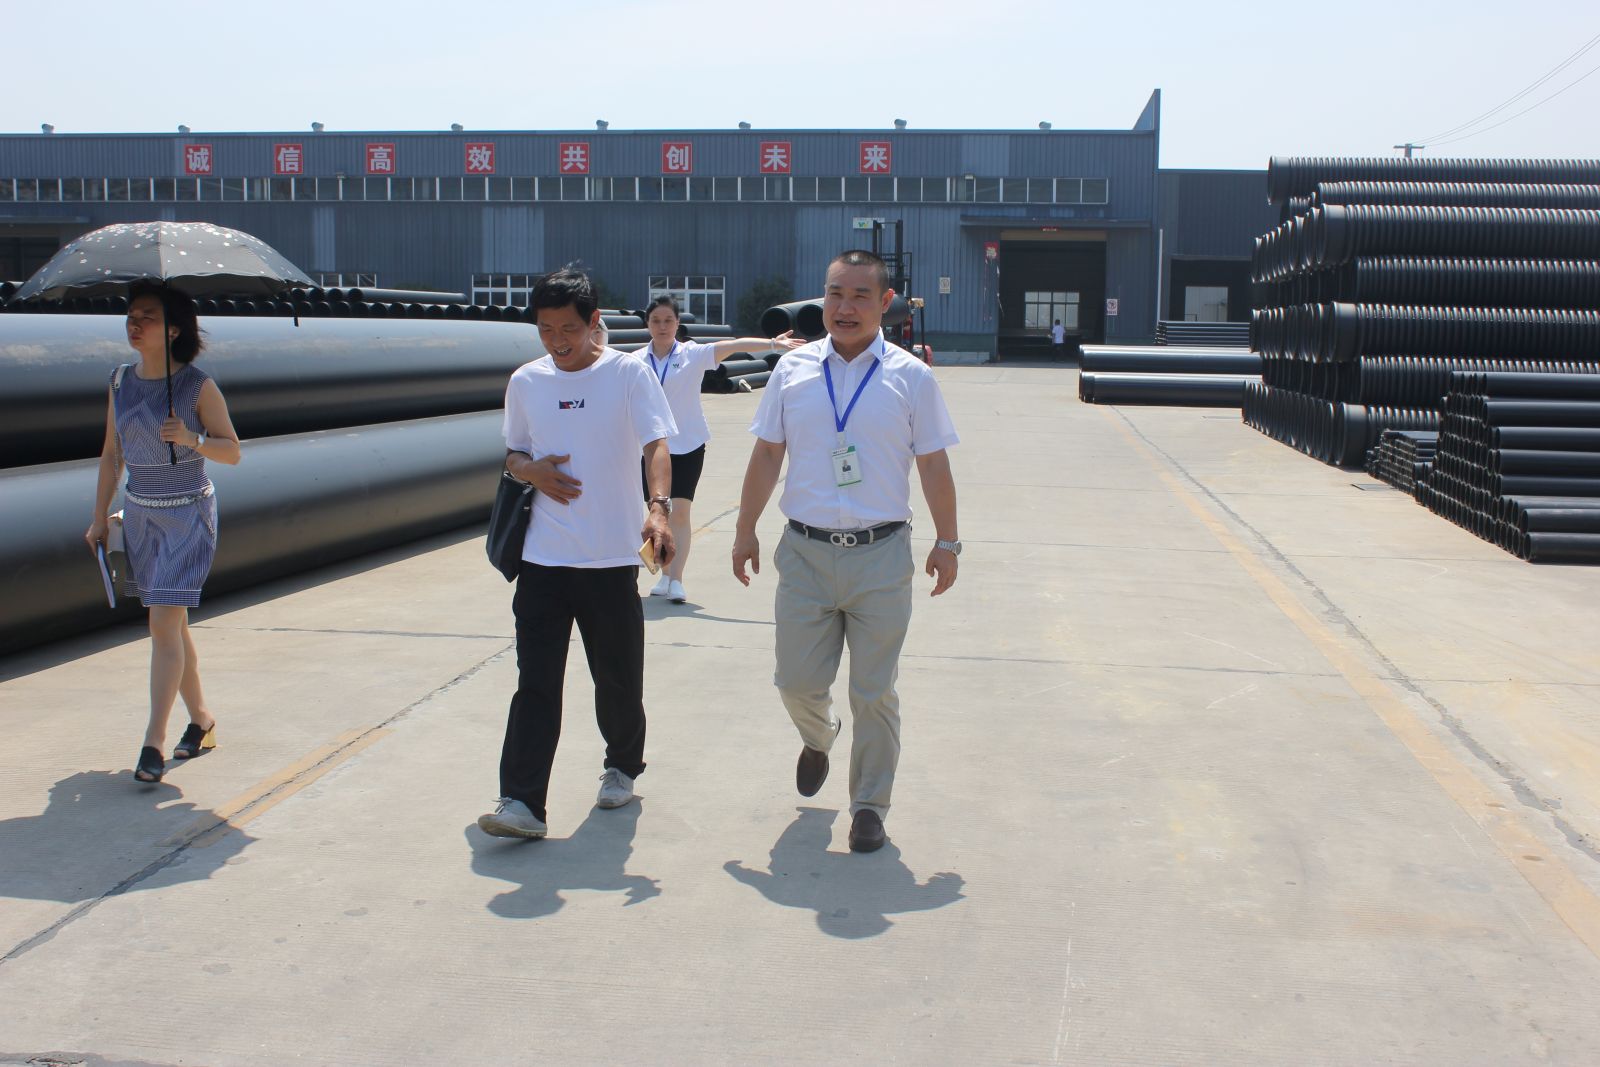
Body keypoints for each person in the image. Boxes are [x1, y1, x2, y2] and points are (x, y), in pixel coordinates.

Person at [732, 250, 961, 854]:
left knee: (874, 691)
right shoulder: (793, 370)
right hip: (804, 553)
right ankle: (818, 736)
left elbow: (934, 464)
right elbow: (767, 454)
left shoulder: (911, 377)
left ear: (885, 303)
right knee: (795, 682)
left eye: (861, 295)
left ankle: (869, 807)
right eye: (836, 293)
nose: (845, 307)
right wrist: (745, 528)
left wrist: (947, 540)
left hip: (881, 556)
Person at [479, 267, 678, 840]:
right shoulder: (526, 381)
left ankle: (622, 764)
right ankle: (522, 802)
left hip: (610, 559)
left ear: (594, 322)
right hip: (542, 559)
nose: (557, 341)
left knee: (617, 679)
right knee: (535, 682)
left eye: (568, 328)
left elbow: (656, 444)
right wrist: (531, 471)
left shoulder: (628, 373)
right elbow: (513, 454)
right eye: (546, 329)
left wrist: (658, 508)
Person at [84, 282, 242, 784]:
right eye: (131, 315)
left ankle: (153, 742)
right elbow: (112, 455)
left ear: (174, 329)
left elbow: (232, 450)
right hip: (141, 516)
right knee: (172, 626)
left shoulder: (198, 387)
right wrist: (99, 516)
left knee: (162, 625)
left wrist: (192, 438)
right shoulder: (119, 381)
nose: (135, 324)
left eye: (147, 316)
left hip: (188, 516)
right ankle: (202, 720)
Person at [634, 296, 801, 604]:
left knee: (679, 512)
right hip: (650, 448)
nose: (662, 326)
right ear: (647, 324)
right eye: (656, 321)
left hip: (687, 444)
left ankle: (676, 579)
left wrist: (773, 344)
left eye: (668, 320)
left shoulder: (692, 354)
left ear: (677, 324)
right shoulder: (635, 361)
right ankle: (665, 574)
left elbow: (734, 345)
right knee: (658, 513)